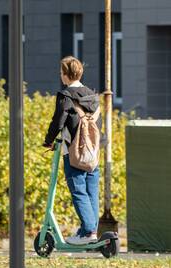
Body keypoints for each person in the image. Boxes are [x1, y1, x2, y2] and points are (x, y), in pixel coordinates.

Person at [43, 56, 102, 245]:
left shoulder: (66, 95)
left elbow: (58, 121)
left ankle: (88, 233)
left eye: (61, 73)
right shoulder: (93, 96)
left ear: (66, 75)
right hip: (93, 153)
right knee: (91, 192)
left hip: (74, 153)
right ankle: (89, 230)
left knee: (78, 191)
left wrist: (48, 141)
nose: (61, 76)